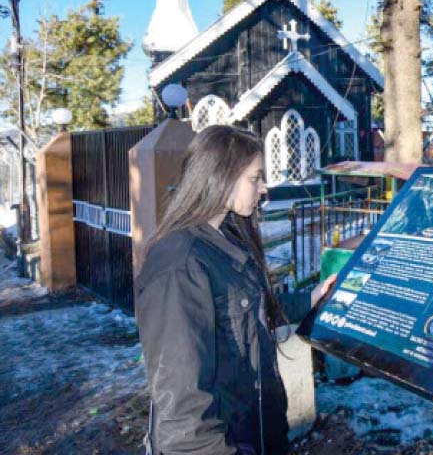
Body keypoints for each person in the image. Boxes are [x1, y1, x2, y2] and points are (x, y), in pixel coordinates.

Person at [135, 125, 335, 455]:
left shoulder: (225, 239)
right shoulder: (180, 265)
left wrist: (311, 299)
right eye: (255, 178)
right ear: (221, 176)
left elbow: (244, 313)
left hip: (255, 433)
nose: (264, 187)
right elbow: (184, 415)